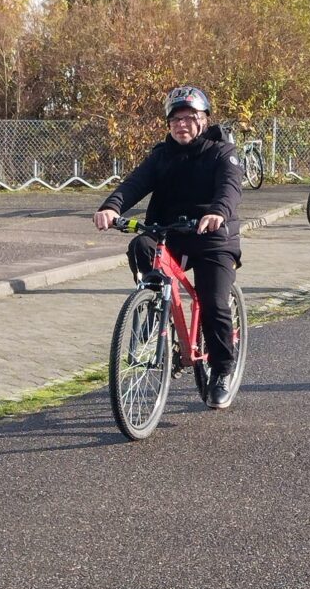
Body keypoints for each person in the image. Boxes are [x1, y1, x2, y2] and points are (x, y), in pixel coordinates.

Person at [93, 86, 242, 409]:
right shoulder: (162, 155)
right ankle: (155, 310)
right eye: (175, 119)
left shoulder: (221, 152)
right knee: (141, 245)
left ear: (203, 120)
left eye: (189, 118)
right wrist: (111, 207)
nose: (182, 124)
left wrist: (217, 212)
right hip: (171, 232)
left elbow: (230, 188)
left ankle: (221, 371)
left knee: (214, 302)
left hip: (213, 238)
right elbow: (135, 183)